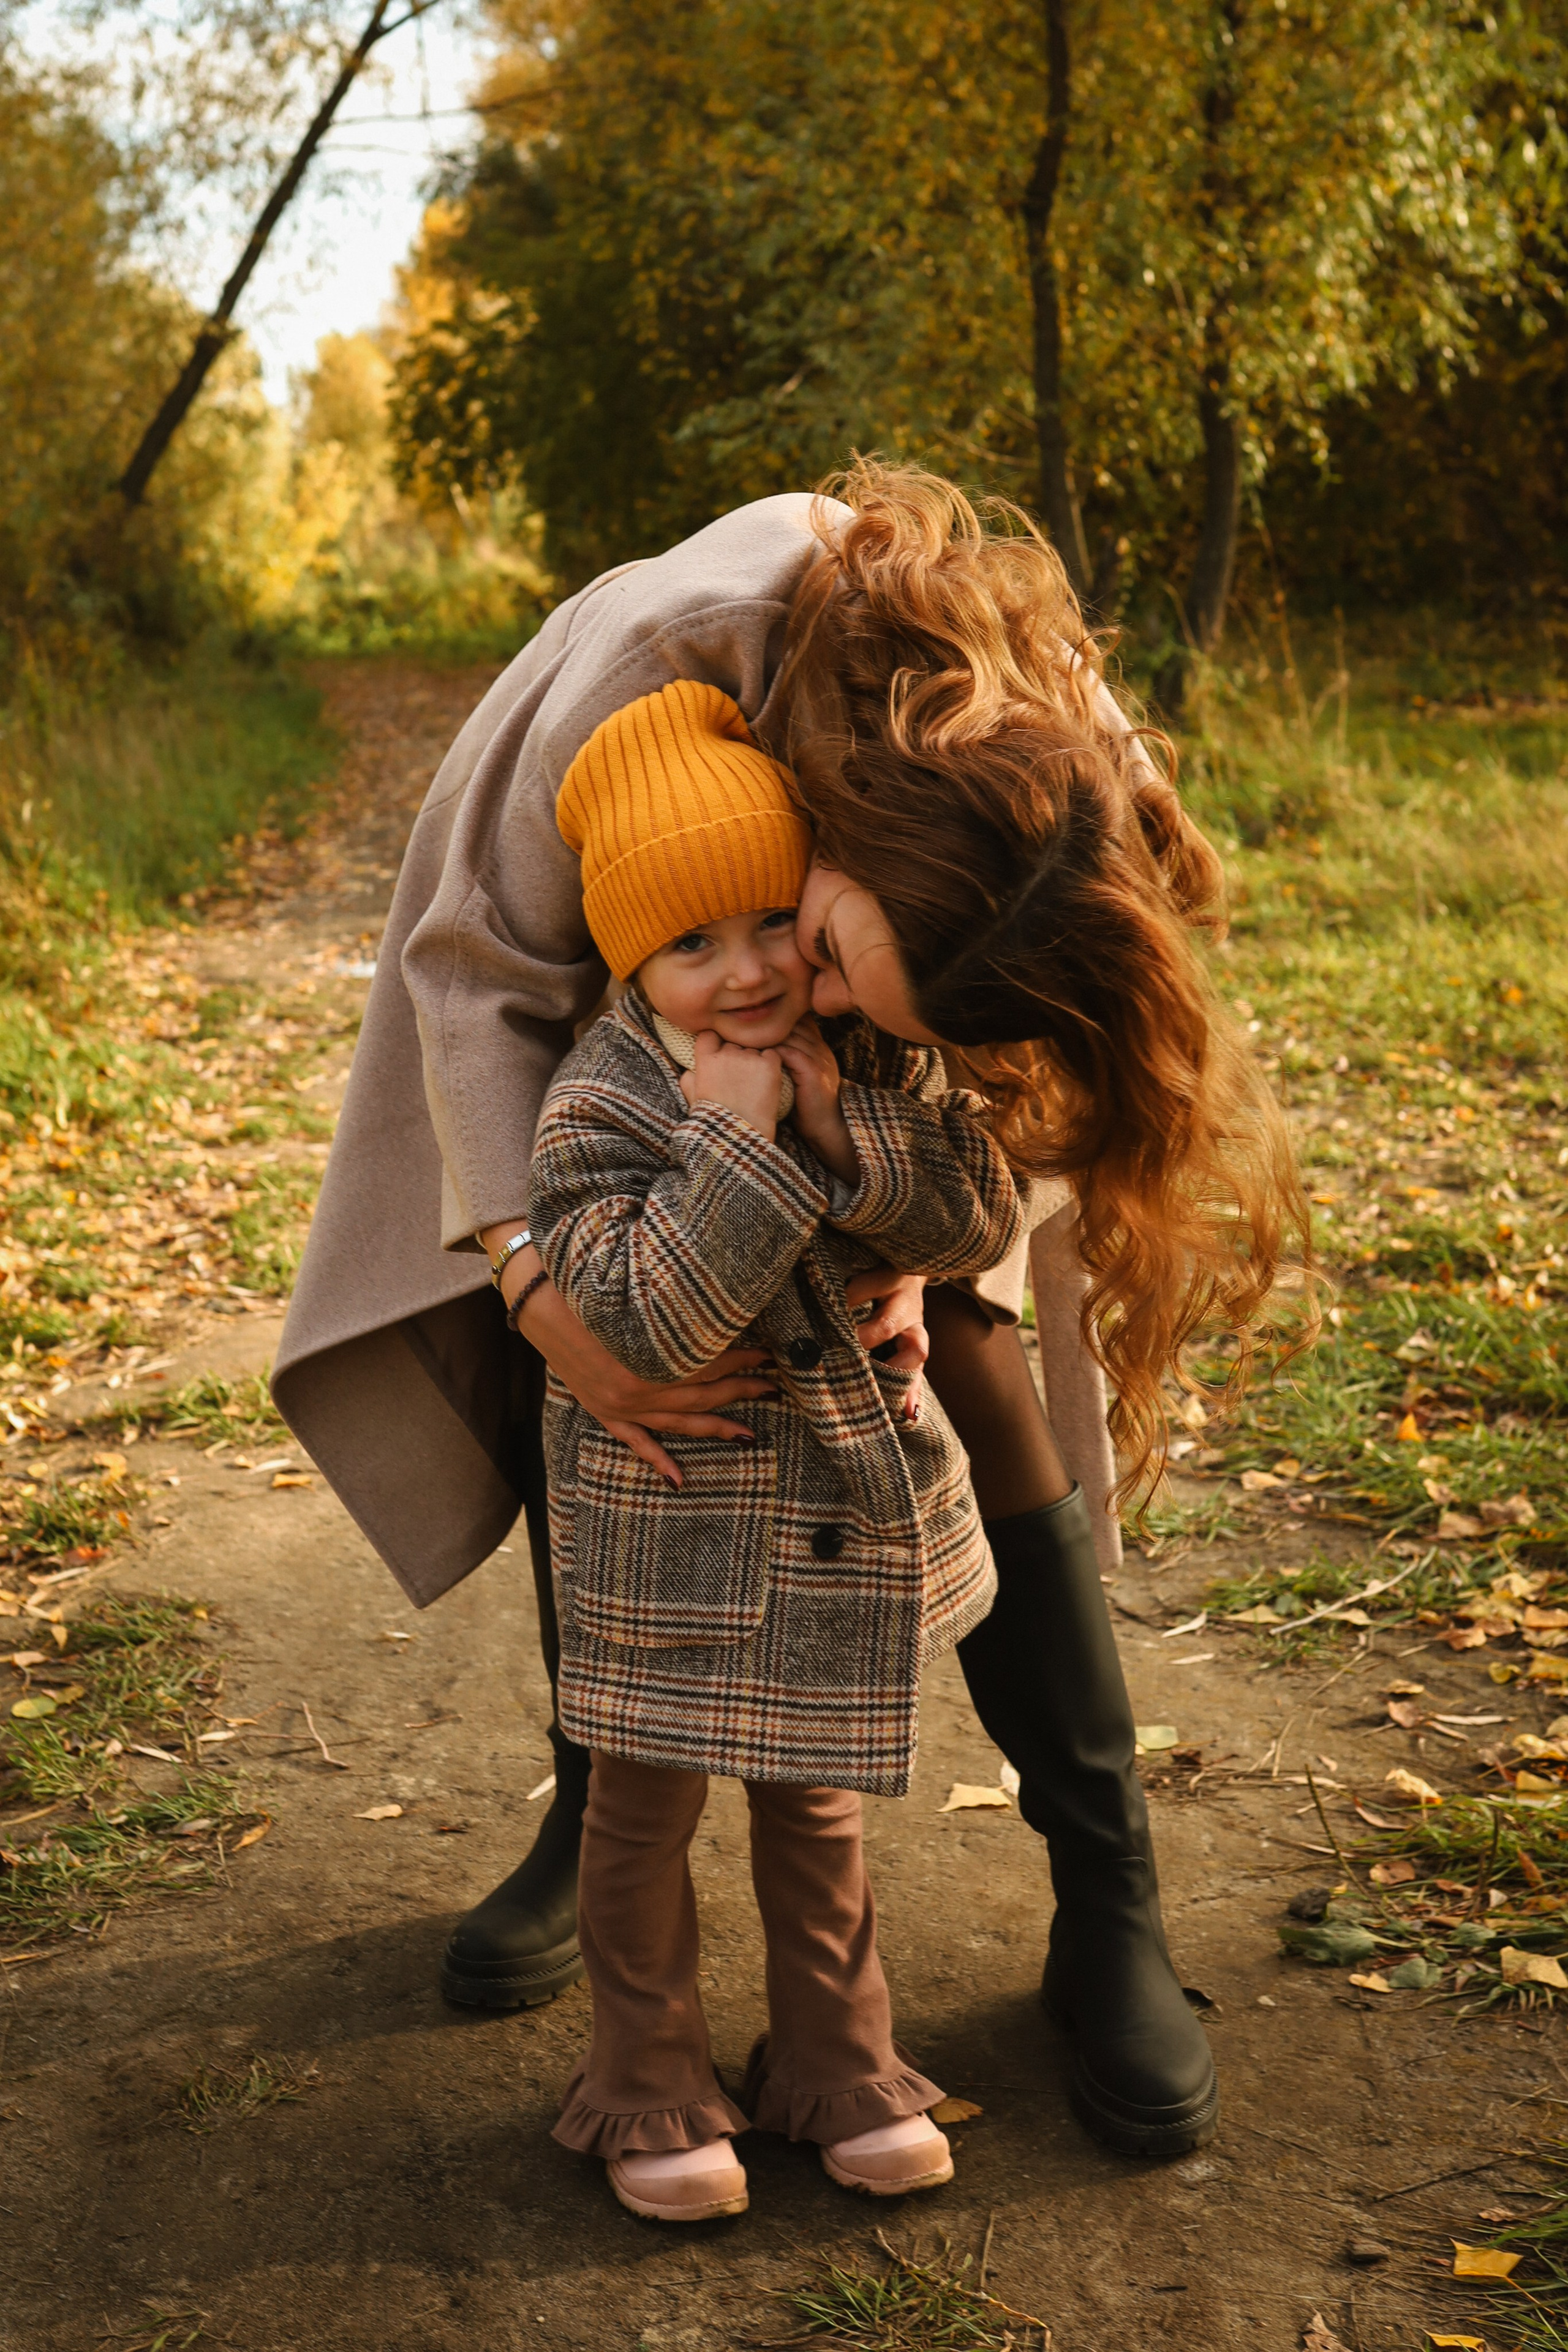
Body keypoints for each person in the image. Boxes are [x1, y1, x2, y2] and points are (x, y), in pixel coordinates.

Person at [273, 461, 1306, 2163]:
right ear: (864, 833)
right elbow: (475, 977)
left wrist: (913, 1207)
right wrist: (543, 1296)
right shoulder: (658, 664)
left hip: (919, 1067)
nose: (798, 991)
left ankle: (1103, 1879)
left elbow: (1069, 983)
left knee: (955, 1352)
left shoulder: (1058, 761)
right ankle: (602, 1791)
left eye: (824, 963)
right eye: (837, 949)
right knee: (611, 1379)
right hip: (599, 972)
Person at [530, 679, 1025, 2220]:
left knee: (814, 1795)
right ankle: (650, 2083)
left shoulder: (865, 1055)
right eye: (689, 947)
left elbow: (980, 1219)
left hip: (820, 1507)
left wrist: (834, 1135)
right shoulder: (597, 1104)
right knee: (640, 1807)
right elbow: (651, 1319)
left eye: (764, 925)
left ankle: (840, 2062)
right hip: (666, 1513)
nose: (742, 974)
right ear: (633, 961)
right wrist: (739, 1139)